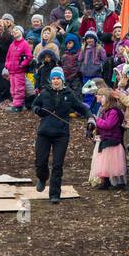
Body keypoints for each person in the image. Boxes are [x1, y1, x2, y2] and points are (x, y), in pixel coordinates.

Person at [32, 68, 88, 204]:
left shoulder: (69, 94)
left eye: (58, 78)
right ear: (51, 80)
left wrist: (91, 118)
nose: (56, 81)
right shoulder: (45, 93)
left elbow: (82, 108)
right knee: (40, 162)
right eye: (53, 78)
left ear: (62, 79)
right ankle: (42, 177)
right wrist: (37, 110)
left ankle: (54, 194)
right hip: (44, 132)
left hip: (61, 134)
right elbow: (34, 104)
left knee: (57, 165)